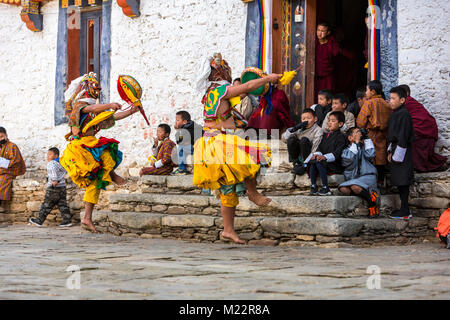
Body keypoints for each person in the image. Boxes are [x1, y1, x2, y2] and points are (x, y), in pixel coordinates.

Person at [194, 53, 279, 244]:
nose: (228, 69)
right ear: (217, 74)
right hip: (218, 142)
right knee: (253, 156)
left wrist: (255, 87)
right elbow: (247, 86)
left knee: (228, 189)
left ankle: (228, 230)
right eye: (224, 67)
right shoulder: (221, 90)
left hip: (210, 142)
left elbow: (242, 92)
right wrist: (267, 78)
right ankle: (252, 192)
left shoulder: (212, 92)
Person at [60, 72, 139, 233]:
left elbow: (113, 117)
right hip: (81, 148)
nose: (98, 89)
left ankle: (87, 218)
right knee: (106, 157)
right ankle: (116, 177)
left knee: (95, 182)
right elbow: (93, 107)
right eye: (94, 86)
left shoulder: (94, 113)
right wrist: (109, 105)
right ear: (86, 88)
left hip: (92, 145)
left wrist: (133, 110)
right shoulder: (79, 106)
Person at [398, 84, 447, 173]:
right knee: (424, 154)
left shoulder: (407, 102)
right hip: (427, 129)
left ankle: (424, 167)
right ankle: (442, 164)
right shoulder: (411, 102)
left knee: (417, 150)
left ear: (406, 94)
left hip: (422, 130)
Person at [356, 80, 392, 191]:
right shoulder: (387, 104)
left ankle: (371, 183)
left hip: (371, 134)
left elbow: (360, 122)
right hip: (384, 134)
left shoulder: (369, 103)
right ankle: (381, 181)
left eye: (367, 90)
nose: (366, 93)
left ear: (372, 91)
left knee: (370, 157)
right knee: (381, 158)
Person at [338, 128, 380, 218]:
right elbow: (348, 159)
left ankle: (372, 204)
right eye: (357, 133)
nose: (359, 134)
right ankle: (370, 195)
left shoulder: (365, 147)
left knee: (354, 186)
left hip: (368, 176)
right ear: (350, 138)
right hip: (354, 178)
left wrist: (367, 138)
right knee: (342, 188)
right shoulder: (346, 151)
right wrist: (355, 144)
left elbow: (371, 155)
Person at [387, 86, 414, 220]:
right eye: (389, 98)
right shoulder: (396, 113)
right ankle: (404, 209)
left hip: (402, 150)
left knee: (403, 180)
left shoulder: (404, 114)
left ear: (402, 100)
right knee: (399, 180)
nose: (390, 101)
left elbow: (403, 135)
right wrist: (390, 151)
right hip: (396, 148)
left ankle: (405, 209)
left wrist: (397, 155)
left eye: (393, 98)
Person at [29, 148, 72, 227]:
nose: (48, 156)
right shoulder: (61, 163)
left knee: (47, 204)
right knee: (62, 204)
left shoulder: (51, 163)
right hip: (62, 186)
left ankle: (39, 220)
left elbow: (53, 173)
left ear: (56, 155)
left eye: (50, 154)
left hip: (54, 186)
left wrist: (54, 181)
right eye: (47, 155)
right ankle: (67, 220)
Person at [308, 111, 347, 196]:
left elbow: (338, 152)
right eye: (329, 120)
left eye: (333, 121)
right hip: (325, 163)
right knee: (313, 162)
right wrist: (316, 155)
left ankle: (325, 187)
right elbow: (319, 148)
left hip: (334, 164)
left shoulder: (341, 137)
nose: (329, 123)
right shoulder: (325, 136)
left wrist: (324, 157)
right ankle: (313, 185)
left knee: (319, 162)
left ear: (340, 124)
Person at [282, 108, 323, 176]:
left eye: (309, 118)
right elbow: (284, 139)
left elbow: (315, 147)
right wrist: (294, 129)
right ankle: (296, 163)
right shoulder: (300, 129)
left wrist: (309, 160)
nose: (306, 120)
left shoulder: (318, 130)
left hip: (308, 156)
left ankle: (305, 165)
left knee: (304, 140)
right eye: (303, 119)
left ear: (315, 119)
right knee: (291, 139)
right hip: (298, 156)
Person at [0, 127, 26, 206]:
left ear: (6, 135)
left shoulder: (12, 146)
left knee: (2, 180)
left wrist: (5, 165)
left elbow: (16, 161)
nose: (0, 139)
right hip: (2, 170)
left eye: (1, 136)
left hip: (13, 169)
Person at [172, 111, 202, 175]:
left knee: (181, 149)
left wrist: (178, 130)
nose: (175, 122)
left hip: (198, 147)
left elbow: (181, 141)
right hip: (195, 146)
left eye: (177, 120)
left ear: (184, 122)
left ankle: (182, 169)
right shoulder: (189, 125)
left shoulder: (188, 128)